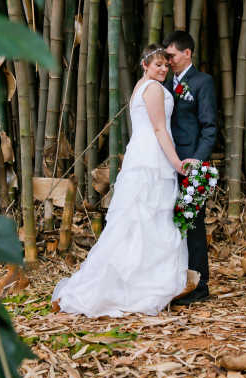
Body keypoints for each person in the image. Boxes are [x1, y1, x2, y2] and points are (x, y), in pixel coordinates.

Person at [52, 44, 190, 317]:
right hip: (153, 157)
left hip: (141, 154)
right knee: (149, 217)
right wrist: (177, 162)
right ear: (145, 65)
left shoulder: (140, 86)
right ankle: (140, 285)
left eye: (165, 65)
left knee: (139, 219)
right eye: (157, 65)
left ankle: (134, 279)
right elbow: (159, 128)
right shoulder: (152, 89)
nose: (163, 69)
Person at [163, 31, 217, 305]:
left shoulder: (202, 82)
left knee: (193, 224)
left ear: (187, 53)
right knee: (168, 224)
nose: (168, 61)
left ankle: (200, 285)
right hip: (166, 162)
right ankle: (175, 281)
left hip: (192, 164)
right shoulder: (163, 82)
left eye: (171, 55)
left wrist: (197, 159)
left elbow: (209, 126)